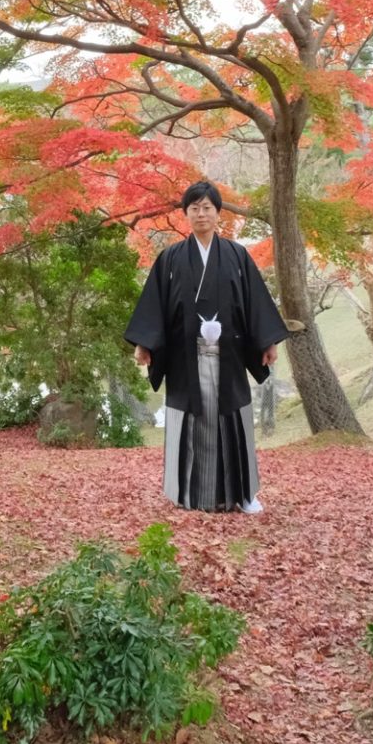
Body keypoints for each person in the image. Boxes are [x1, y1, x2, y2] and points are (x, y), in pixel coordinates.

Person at [124, 180, 288, 514]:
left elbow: (254, 301)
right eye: (194, 208)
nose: (201, 214)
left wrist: (267, 340)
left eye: (207, 208)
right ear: (186, 214)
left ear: (218, 213)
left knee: (233, 418)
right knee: (190, 420)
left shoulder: (236, 255)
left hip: (228, 356)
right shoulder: (170, 258)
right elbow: (154, 304)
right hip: (186, 356)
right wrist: (145, 343)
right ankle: (189, 493)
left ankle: (243, 494)